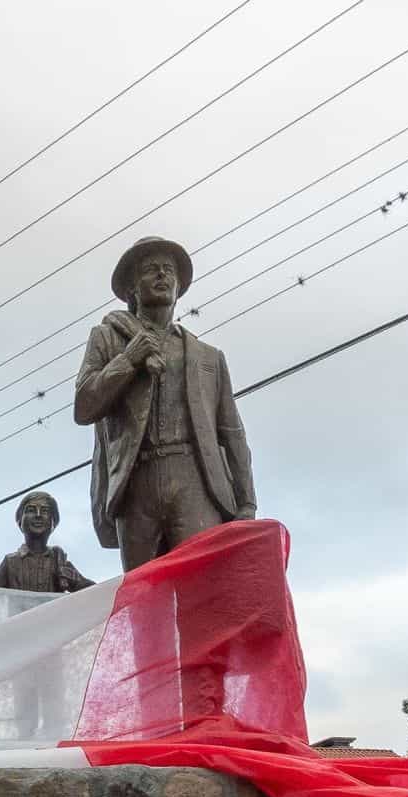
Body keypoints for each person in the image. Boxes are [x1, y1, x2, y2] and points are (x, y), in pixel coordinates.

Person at [74, 235, 256, 572]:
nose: (162, 275)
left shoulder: (208, 358)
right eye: (150, 270)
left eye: (168, 270)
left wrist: (246, 503)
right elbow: (84, 406)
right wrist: (129, 359)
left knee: (201, 590)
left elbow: (231, 433)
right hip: (136, 481)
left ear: (179, 287)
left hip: (195, 481)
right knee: (142, 598)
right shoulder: (107, 338)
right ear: (132, 288)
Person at [0, 491, 94, 593]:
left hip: (54, 631)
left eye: (44, 511)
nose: (38, 515)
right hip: (19, 631)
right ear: (20, 521)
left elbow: (94, 593)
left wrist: (72, 580)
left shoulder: (59, 561)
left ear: (53, 522)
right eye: (31, 510)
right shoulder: (11, 562)